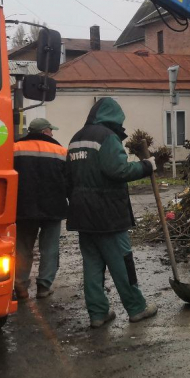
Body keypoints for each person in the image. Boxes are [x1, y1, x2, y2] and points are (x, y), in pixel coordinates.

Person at [65, 97, 158, 328]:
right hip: (107, 215)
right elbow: (119, 169)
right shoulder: (107, 137)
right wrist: (147, 165)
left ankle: (98, 314)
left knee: (92, 266)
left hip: (82, 214)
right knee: (122, 262)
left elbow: (67, 178)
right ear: (114, 117)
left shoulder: (76, 138)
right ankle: (137, 308)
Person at [13, 117, 68, 300]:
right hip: (53, 208)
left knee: (22, 247)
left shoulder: (15, 148)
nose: (52, 133)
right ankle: (44, 286)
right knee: (49, 248)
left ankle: (20, 286)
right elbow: (69, 180)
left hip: (23, 208)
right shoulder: (60, 151)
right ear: (45, 131)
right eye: (51, 130)